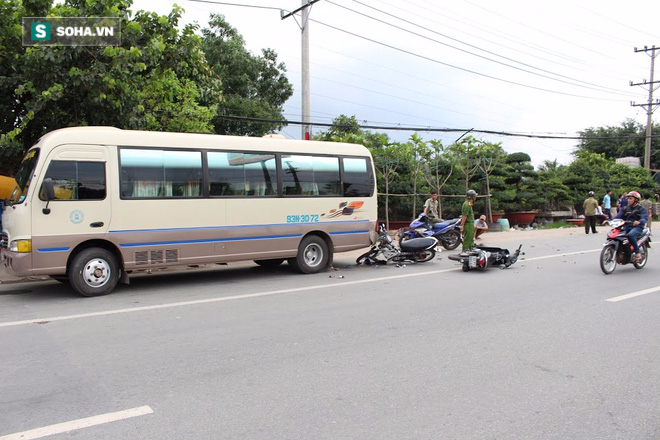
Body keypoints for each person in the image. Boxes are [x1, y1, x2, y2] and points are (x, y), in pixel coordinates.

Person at [614, 191, 648, 262]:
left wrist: (639, 221)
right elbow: (618, 216)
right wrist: (610, 220)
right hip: (627, 226)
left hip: (637, 227)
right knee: (616, 235)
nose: (628, 200)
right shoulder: (625, 208)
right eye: (628, 198)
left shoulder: (641, 209)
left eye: (630, 198)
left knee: (630, 235)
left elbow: (644, 218)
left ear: (636, 200)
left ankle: (637, 253)